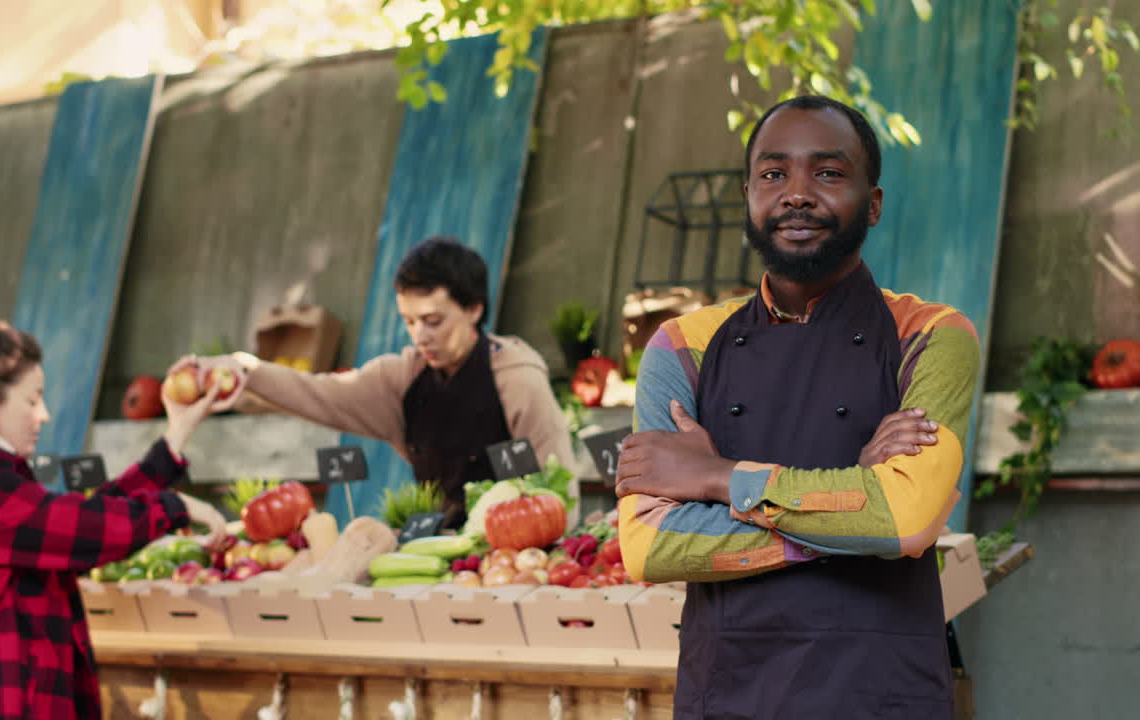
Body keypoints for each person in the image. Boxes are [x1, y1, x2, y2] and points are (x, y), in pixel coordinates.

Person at [614, 95, 980, 719]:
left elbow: (906, 519)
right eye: (773, 173)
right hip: (728, 691)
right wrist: (855, 512)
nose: (797, 194)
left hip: (881, 694)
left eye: (829, 173)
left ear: (873, 204)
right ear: (749, 196)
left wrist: (718, 477)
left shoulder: (934, 334)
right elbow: (651, 546)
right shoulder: (681, 346)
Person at [0, 320, 228, 719]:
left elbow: (72, 525)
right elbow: (86, 528)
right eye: (32, 399)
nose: (44, 414)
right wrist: (172, 506)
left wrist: (175, 438)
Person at [194, 237, 576, 528]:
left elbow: (560, 488)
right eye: (409, 322)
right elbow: (320, 394)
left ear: (474, 309)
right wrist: (246, 371)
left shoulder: (518, 379)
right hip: (438, 547)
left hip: (516, 554)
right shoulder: (401, 378)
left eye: (433, 321)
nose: (420, 337)